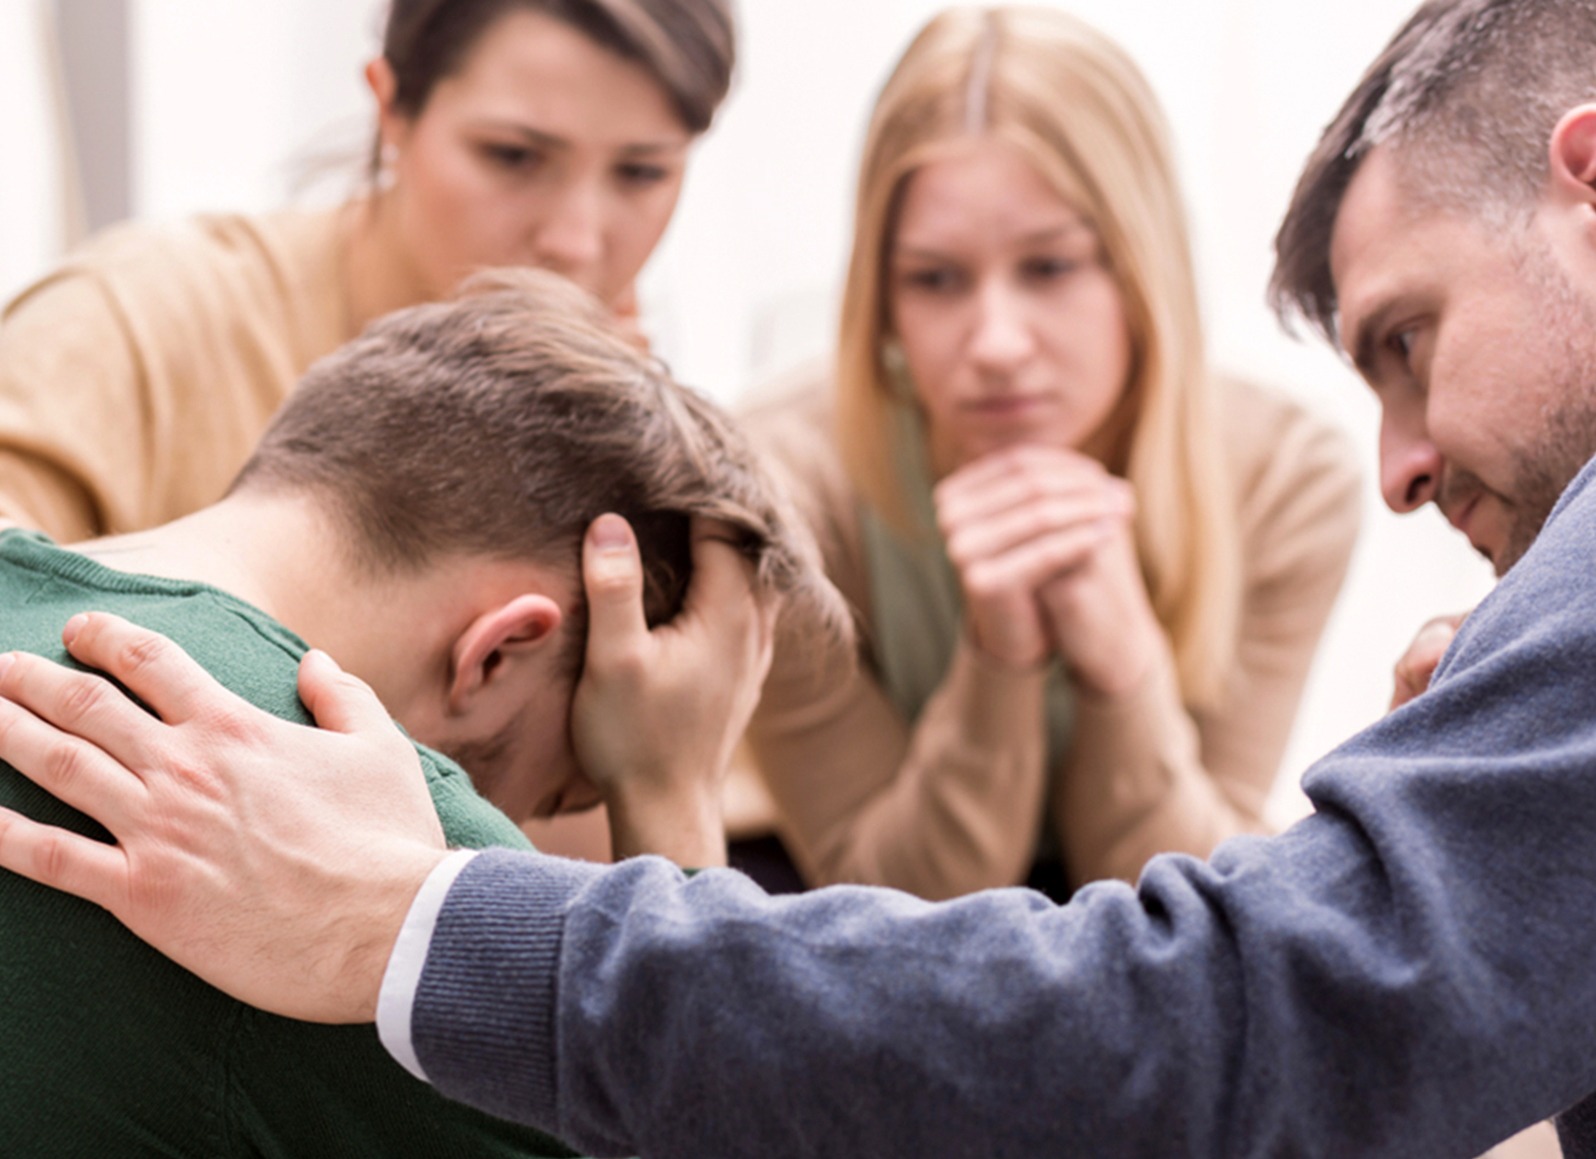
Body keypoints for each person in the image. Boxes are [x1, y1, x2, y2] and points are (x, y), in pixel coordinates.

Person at [8, 0, 1596, 1155]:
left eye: (1408, 338)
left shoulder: (1277, 471)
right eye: (933, 278)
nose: (577, 232)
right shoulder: (758, 506)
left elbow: (1246, 1008)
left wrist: (426, 912)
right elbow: (1217, 993)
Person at [0, 268, 831, 1154]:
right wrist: (670, 793)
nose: (515, 829)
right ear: (497, 654)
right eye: (555, 793)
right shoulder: (346, 848)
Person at [734, 6, 1361, 899]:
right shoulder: (774, 487)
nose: (996, 342)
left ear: (1142, 266)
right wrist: (999, 659)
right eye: (934, 278)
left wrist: (1125, 668)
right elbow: (887, 905)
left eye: (1051, 266)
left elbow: (1201, 914)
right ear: (880, 298)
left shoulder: (1287, 478)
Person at [0, 0, 734, 544]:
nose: (575, 242)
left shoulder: (647, 428)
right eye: (512, 156)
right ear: (391, 107)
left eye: (642, 172)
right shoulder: (132, 325)